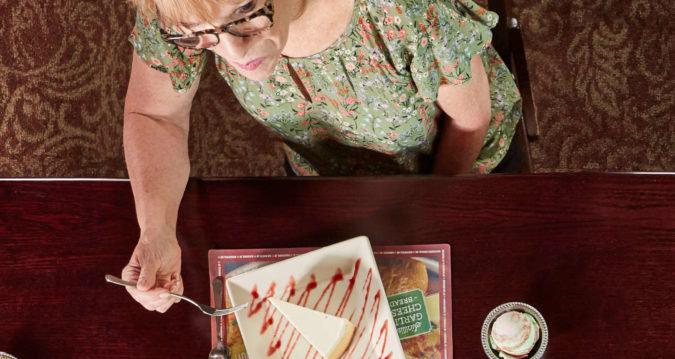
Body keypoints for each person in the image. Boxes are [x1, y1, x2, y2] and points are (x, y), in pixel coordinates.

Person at [122, 0, 521, 312]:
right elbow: (156, 114)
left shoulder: (405, 10)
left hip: (455, 170)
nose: (233, 53)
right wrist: (155, 231)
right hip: (324, 179)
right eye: (200, 35)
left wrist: (422, 230)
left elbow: (470, 121)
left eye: (245, 14)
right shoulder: (183, 11)